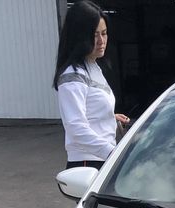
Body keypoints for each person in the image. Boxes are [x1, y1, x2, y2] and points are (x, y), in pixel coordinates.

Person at [52, 1, 130, 170]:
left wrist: (108, 116)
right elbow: (76, 128)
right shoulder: (73, 76)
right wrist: (114, 154)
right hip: (87, 162)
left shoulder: (93, 67)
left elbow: (90, 108)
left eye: (104, 33)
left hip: (100, 158)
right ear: (79, 37)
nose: (101, 41)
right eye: (95, 35)